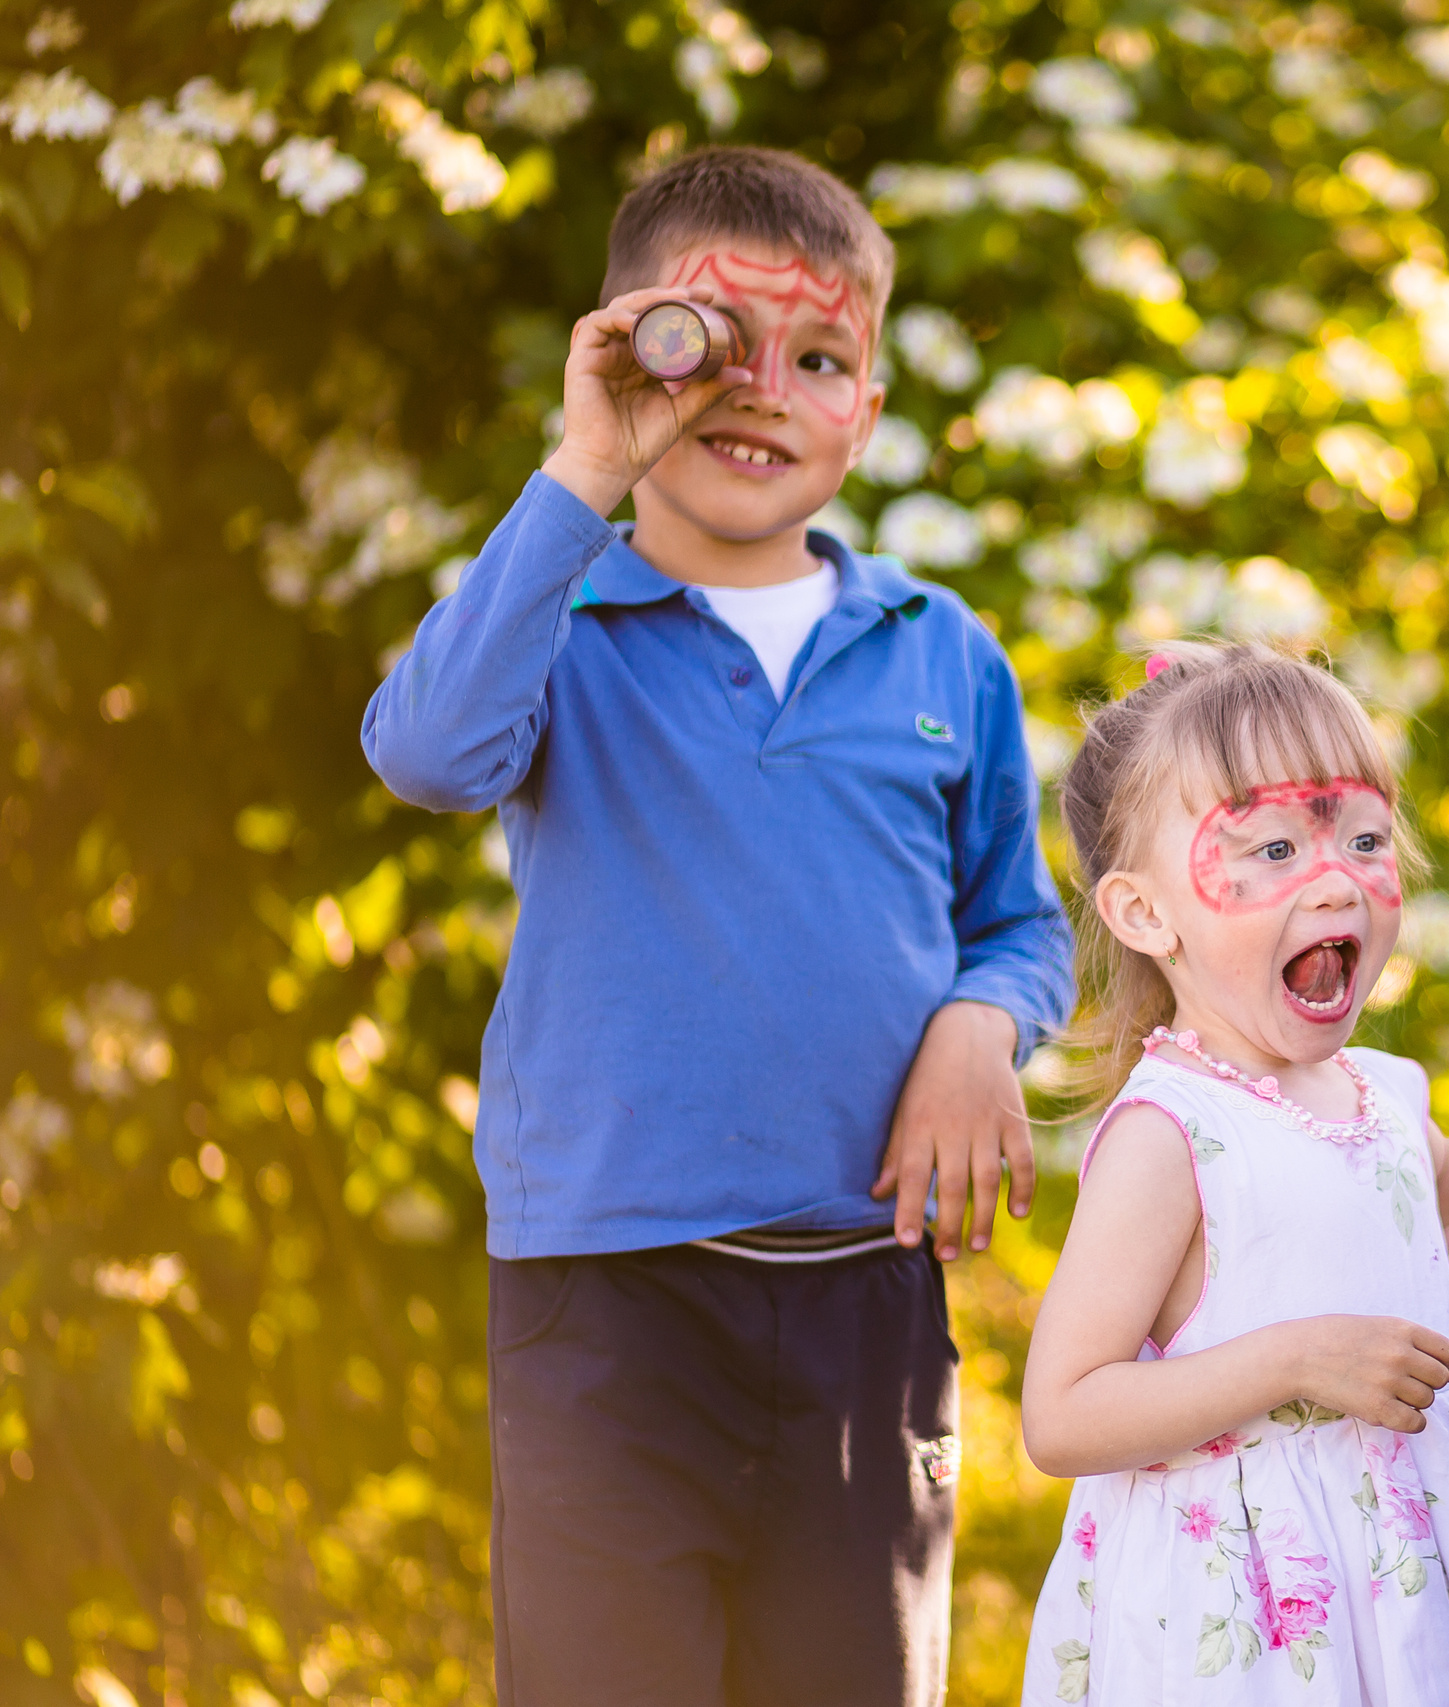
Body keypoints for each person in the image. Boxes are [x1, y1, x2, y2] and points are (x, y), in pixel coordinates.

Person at [362, 145, 1074, 1707]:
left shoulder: (937, 650)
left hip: (862, 1299)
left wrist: (976, 1024)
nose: (763, 394)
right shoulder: (566, 620)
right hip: (607, 1295)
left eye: (818, 360)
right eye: (716, 349)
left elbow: (1024, 927)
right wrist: (584, 468)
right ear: (629, 350)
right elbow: (423, 753)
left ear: (869, 411)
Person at [1015, 643, 1449, 1707]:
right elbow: (1063, 1413)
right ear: (1146, 915)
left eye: (1364, 838)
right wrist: (1291, 1360)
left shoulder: (1383, 1097)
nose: (1336, 878)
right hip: (1256, 1622)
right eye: (1277, 847)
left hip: (1423, 1580)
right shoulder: (1171, 1136)